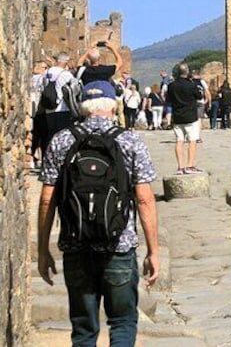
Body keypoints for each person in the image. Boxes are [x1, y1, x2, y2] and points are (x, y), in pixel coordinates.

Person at [37, 80, 159, 346]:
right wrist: (153, 251)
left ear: (82, 107)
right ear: (113, 107)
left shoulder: (62, 140)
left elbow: (48, 199)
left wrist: (43, 249)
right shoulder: (129, 141)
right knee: (123, 322)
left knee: (83, 329)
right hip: (119, 245)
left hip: (76, 244)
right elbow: (145, 200)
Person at [166, 63, 202, 174]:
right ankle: (190, 165)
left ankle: (180, 167)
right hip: (190, 117)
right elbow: (199, 96)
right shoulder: (191, 85)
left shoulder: (172, 85)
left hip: (177, 117)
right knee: (192, 141)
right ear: (187, 72)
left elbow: (168, 99)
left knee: (179, 141)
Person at [39, 54, 76, 156]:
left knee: (50, 134)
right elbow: (74, 89)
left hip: (49, 108)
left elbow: (42, 86)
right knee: (62, 135)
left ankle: (48, 157)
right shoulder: (66, 74)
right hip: (62, 108)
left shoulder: (47, 72)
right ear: (66, 62)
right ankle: (60, 158)